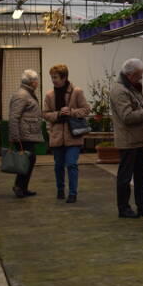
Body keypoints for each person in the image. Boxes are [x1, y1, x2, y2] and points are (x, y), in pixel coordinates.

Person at [42, 64, 90, 203]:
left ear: (64, 77)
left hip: (73, 135)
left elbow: (86, 109)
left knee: (71, 164)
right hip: (56, 136)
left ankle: (73, 193)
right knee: (58, 166)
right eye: (51, 77)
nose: (53, 80)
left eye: (55, 77)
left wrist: (72, 112)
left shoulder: (77, 92)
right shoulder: (49, 95)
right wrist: (57, 114)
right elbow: (45, 114)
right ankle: (60, 190)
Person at [110, 58, 143, 219]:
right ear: (130, 74)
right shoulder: (120, 91)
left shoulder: (131, 87)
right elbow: (127, 116)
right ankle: (123, 208)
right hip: (128, 140)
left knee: (141, 174)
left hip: (137, 139)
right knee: (125, 176)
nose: (141, 79)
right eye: (139, 75)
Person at [8, 69, 44, 198]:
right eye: (36, 80)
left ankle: (22, 187)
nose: (37, 83)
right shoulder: (22, 95)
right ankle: (19, 187)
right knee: (27, 161)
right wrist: (15, 137)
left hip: (27, 133)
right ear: (32, 82)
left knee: (28, 161)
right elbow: (14, 117)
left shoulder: (27, 93)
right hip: (24, 135)